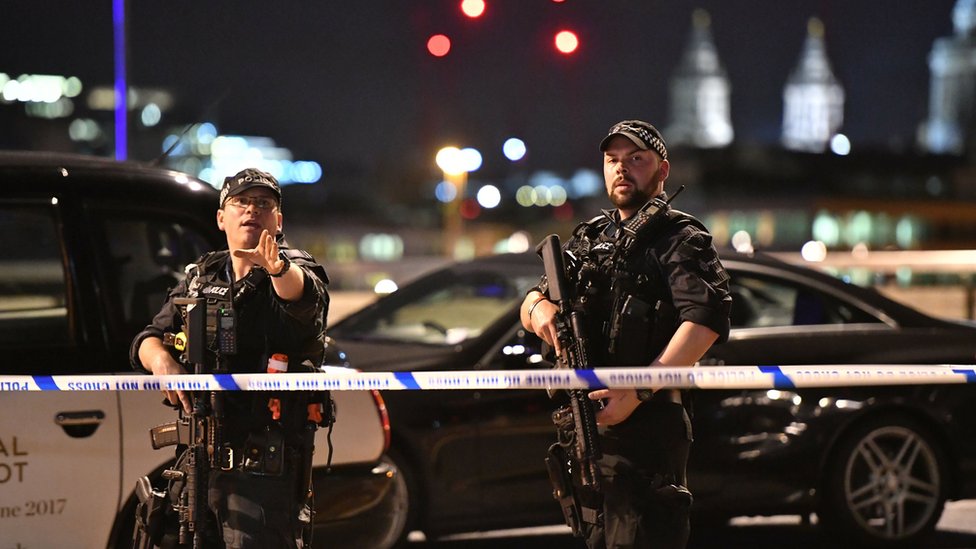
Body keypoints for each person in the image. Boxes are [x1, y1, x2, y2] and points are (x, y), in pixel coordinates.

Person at [520, 120, 731, 549]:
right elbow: (532, 302)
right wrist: (537, 309)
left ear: (662, 170)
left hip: (648, 425)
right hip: (587, 424)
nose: (622, 169)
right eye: (613, 160)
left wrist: (637, 391)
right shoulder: (592, 236)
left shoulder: (680, 237)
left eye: (636, 159)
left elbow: (705, 321)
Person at [130, 168, 331, 548]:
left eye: (264, 204)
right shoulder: (202, 275)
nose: (252, 210)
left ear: (279, 220)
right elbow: (148, 337)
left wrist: (277, 269)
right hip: (196, 459)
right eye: (241, 202)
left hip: (263, 471)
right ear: (222, 217)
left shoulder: (295, 269)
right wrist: (162, 361)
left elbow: (301, 298)